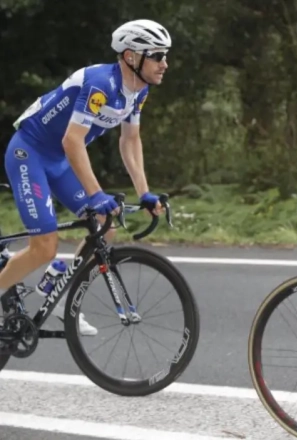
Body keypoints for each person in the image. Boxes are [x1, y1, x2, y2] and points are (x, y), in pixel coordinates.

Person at [0, 19, 171, 335]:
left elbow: (130, 140)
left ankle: (59, 297)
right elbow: (72, 140)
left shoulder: (139, 90)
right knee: (45, 246)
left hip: (60, 160)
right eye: (158, 55)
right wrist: (95, 194)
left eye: (165, 55)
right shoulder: (100, 83)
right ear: (132, 57)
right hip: (30, 153)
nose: (165, 63)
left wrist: (144, 192)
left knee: (105, 229)